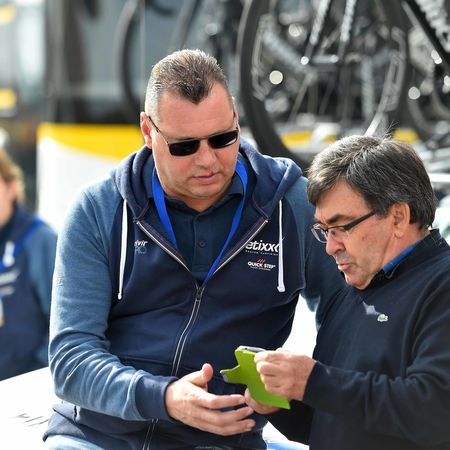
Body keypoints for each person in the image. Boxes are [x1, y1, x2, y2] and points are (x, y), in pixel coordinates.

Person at [43, 49, 344, 450]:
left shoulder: (294, 205)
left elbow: (349, 326)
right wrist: (165, 398)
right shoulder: (97, 209)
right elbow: (70, 362)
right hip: (94, 438)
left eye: (222, 139)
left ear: (236, 119)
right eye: (184, 146)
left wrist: (303, 404)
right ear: (147, 131)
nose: (207, 160)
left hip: (222, 441)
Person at [245, 135, 450, 450]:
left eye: (342, 227)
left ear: (398, 217)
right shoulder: (352, 288)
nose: (330, 247)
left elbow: (434, 412)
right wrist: (282, 403)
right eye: (324, 230)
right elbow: (327, 423)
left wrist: (313, 381)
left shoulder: (441, 285)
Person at [0, 147, 57, 380]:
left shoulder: (40, 240)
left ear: (12, 187)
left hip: (28, 387)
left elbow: (65, 325)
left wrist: (37, 374)